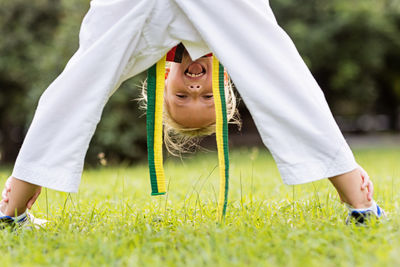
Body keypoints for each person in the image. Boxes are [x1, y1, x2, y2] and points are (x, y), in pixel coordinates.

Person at [0, 0, 384, 226]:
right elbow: (282, 82)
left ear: (162, 82)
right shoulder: (239, 45)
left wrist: (25, 186)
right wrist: (349, 175)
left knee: (85, 74)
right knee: (277, 69)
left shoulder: (142, 47)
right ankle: (358, 199)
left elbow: (78, 88)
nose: (196, 90)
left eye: (182, 98)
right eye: (206, 99)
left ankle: (12, 207)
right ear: (227, 84)